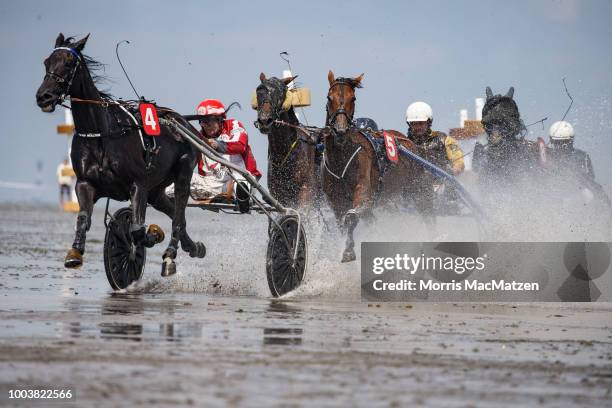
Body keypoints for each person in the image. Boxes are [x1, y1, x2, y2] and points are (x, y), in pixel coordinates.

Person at [166, 99, 261, 213]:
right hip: (212, 184)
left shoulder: (233, 125)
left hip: (241, 178)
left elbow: (241, 145)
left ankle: (241, 197)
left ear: (220, 119)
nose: (205, 125)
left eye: (209, 121)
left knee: (240, 182)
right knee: (174, 181)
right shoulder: (198, 138)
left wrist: (217, 145)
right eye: (202, 121)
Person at [405, 102, 465, 174]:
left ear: (429, 122)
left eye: (421, 123)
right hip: (414, 183)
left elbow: (458, 161)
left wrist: (455, 169)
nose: (418, 127)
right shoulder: (405, 145)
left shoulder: (444, 139)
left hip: (442, 182)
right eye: (414, 124)